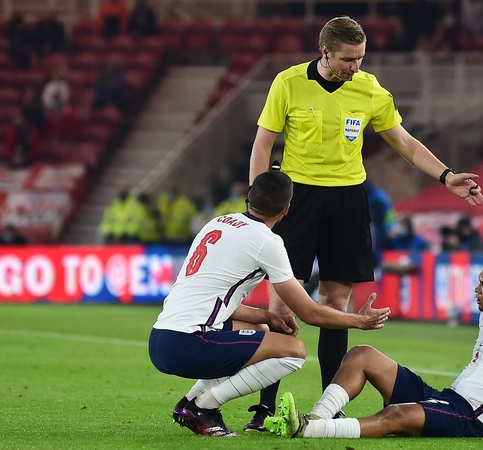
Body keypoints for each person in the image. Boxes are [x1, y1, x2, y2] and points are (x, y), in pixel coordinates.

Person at [247, 16, 483, 430]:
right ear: (324, 52)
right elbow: (263, 143)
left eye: (360, 58)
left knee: (336, 305)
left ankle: (329, 408)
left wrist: (447, 177)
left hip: (348, 201)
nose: (355, 66)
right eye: (347, 59)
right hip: (296, 199)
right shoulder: (287, 82)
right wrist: (256, 205)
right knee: (283, 303)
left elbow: (405, 141)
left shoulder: (370, 88)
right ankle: (266, 407)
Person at [148, 170, 390, 437]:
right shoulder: (268, 241)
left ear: (249, 196)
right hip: (189, 344)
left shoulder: (217, 223)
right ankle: (205, 407)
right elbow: (309, 313)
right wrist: (360, 320)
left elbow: (216, 299)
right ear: (287, 209)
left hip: (160, 339)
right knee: (293, 351)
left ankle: (189, 402)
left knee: (262, 331)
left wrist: (268, 316)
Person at [265, 248, 483, 441]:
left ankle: (311, 431)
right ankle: (314, 416)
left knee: (394, 414)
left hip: (472, 419)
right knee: (361, 354)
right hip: (447, 399)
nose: (477, 289)